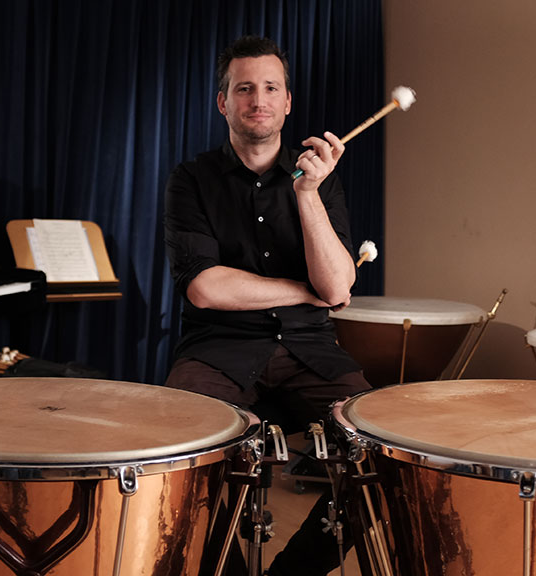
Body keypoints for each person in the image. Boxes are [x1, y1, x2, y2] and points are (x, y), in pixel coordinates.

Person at [163, 35, 370, 575]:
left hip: (310, 348)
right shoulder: (190, 179)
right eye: (244, 88)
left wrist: (307, 195)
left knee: (374, 455)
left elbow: (338, 282)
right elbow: (207, 288)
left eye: (270, 87)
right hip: (217, 347)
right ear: (223, 102)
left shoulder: (321, 180)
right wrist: (307, 291)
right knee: (180, 453)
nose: (258, 98)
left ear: (288, 102)